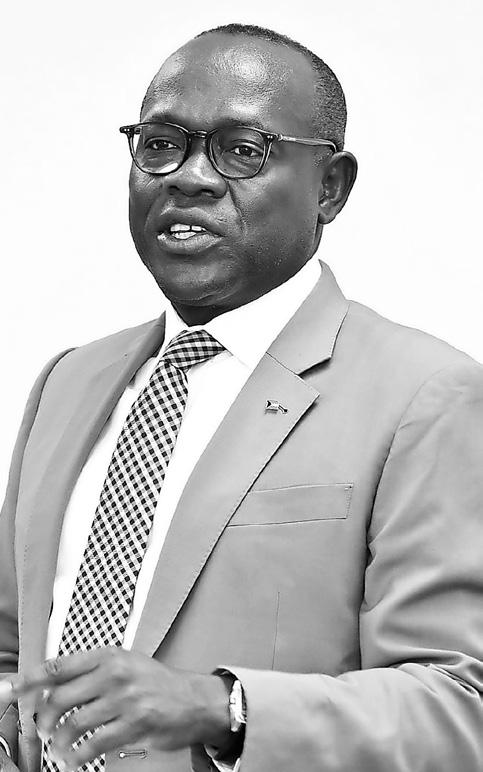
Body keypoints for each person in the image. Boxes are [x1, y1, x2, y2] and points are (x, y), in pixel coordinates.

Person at [0, 22, 482, 772]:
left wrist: (222, 707)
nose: (188, 177)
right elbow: (12, 649)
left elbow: (459, 704)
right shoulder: (68, 383)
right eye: (161, 144)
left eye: (241, 150)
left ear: (330, 187)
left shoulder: (426, 395)